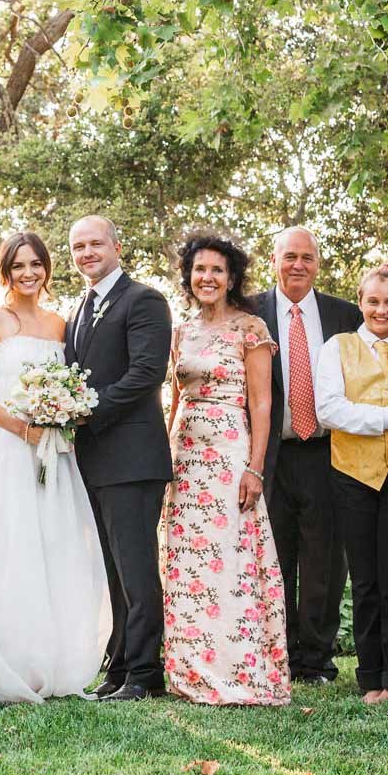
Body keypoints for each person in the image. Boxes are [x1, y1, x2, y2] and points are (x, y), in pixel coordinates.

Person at [0, 232, 109, 702]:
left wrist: (62, 414)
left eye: (36, 265)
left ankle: (51, 660)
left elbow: (72, 382)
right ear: (5, 271)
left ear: (47, 269)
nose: (29, 273)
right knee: (8, 547)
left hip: (52, 452)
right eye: (19, 265)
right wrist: (23, 430)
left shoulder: (59, 324)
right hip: (4, 449)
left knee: (51, 547)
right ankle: (7, 662)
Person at [161, 231, 288, 706]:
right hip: (185, 455)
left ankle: (238, 667)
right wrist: (164, 462)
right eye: (199, 270)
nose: (207, 277)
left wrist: (255, 468)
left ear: (231, 277)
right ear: (188, 277)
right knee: (187, 562)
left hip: (230, 449)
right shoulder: (182, 330)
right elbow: (174, 401)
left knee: (230, 556)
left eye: (217, 270)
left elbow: (262, 402)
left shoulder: (250, 328)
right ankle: (190, 670)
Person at [64, 215, 174, 702]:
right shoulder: (78, 308)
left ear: (117, 246)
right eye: (78, 246)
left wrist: (85, 409)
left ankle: (147, 673)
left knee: (136, 568)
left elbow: (147, 373)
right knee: (109, 569)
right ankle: (120, 665)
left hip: (132, 457)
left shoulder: (144, 300)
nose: (87, 252)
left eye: (95, 244)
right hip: (91, 460)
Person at [249, 227, 361, 686]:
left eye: (307, 258)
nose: (298, 265)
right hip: (269, 453)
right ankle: (278, 653)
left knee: (325, 560)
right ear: (273, 260)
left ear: (318, 263)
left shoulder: (345, 314)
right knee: (273, 556)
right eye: (290, 256)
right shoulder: (249, 312)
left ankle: (316, 660)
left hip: (326, 452)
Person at [314, 265, 388, 703]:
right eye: (374, 301)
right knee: (365, 579)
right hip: (353, 476)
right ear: (361, 302)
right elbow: (330, 410)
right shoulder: (337, 348)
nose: (382, 309)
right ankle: (371, 676)